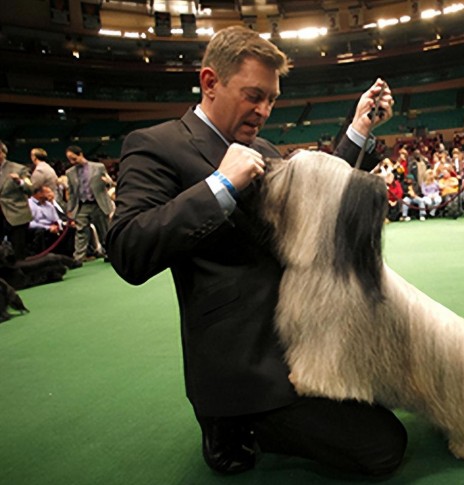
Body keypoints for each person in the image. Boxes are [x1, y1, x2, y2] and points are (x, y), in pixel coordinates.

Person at [106, 26, 406, 477]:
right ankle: (230, 423)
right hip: (243, 362)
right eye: (253, 95)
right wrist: (220, 186)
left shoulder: (261, 148)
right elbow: (128, 249)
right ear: (210, 82)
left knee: (390, 396)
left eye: (271, 98)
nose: (264, 110)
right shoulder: (155, 145)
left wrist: (359, 128)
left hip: (305, 336)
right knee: (383, 447)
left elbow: (316, 199)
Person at [65, 145, 114, 263]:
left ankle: (110, 253)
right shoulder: (69, 172)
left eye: (74, 158)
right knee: (80, 231)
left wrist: (108, 182)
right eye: (69, 159)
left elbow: (109, 183)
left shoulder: (98, 167)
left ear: (80, 155)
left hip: (98, 204)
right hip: (82, 205)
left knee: (104, 230)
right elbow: (71, 193)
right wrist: (70, 209)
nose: (72, 162)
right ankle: (78, 258)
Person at [0, 140, 33, 260]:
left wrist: (19, 181)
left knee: (18, 249)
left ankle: (21, 275)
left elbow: (30, 189)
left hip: (16, 215)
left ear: (3, 153)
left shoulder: (19, 169)